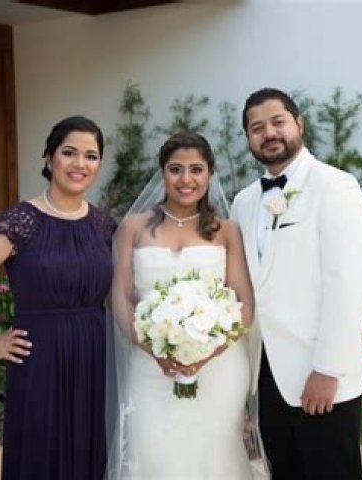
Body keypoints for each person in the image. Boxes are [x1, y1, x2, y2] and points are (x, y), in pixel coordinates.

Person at [0, 115, 115, 479]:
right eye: (69, 152)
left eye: (91, 156)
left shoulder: (103, 225)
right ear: (49, 158)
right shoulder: (23, 221)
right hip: (40, 359)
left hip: (94, 356)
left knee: (91, 448)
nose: (80, 164)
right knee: (41, 451)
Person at [231, 88, 362, 479]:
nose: (269, 133)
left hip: (322, 374)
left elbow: (350, 284)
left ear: (299, 123)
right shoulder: (243, 203)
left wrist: (328, 369)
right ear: (248, 138)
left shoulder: (336, 186)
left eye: (278, 122)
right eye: (257, 128)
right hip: (267, 378)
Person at [109, 131, 263, 479]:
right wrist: (153, 349)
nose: (186, 179)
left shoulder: (227, 230)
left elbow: (245, 304)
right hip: (151, 368)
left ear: (210, 174)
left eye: (196, 169)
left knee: (214, 458)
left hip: (219, 368)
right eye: (175, 169)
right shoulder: (132, 228)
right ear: (162, 172)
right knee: (152, 454)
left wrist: (204, 354)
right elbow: (121, 297)